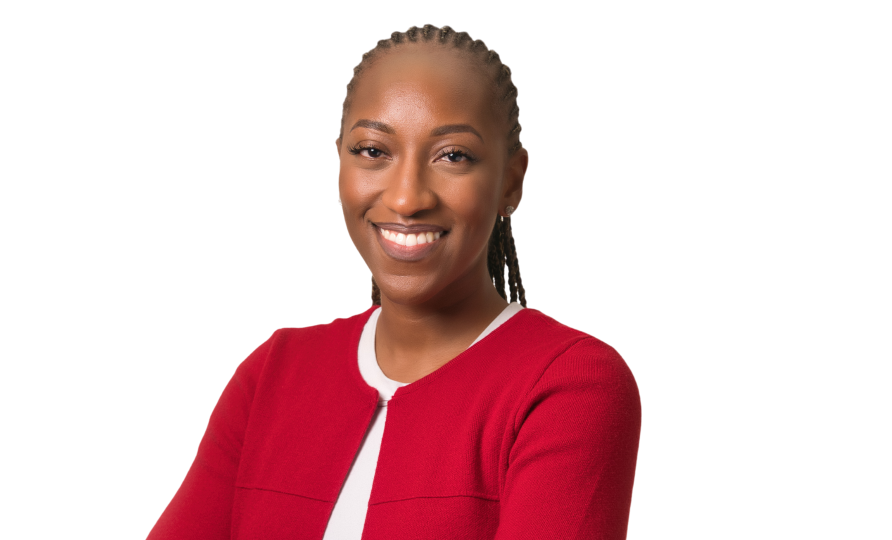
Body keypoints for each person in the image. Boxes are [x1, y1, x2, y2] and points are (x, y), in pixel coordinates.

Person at [147, 24, 642, 540]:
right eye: (373, 150)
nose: (406, 198)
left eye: (453, 155)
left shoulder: (570, 386)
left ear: (512, 182)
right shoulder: (271, 374)